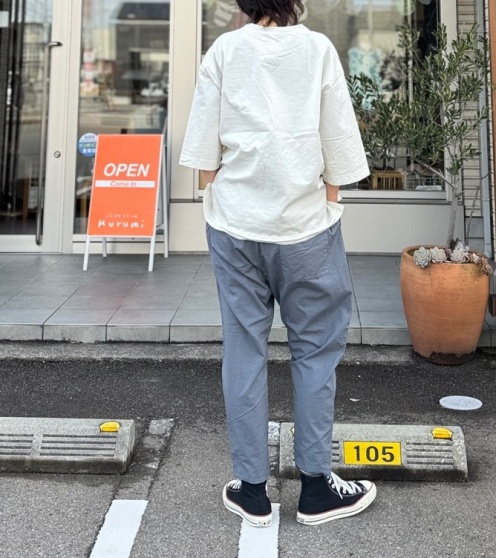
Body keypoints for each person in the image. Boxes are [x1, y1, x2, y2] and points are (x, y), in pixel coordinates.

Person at [180, 0, 376, 528]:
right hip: (306, 228)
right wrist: (329, 203)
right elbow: (339, 143)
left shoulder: (225, 50)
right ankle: (315, 488)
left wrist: (215, 199)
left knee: (244, 347)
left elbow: (203, 151)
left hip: (236, 225)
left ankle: (251, 490)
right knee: (315, 352)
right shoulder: (317, 49)